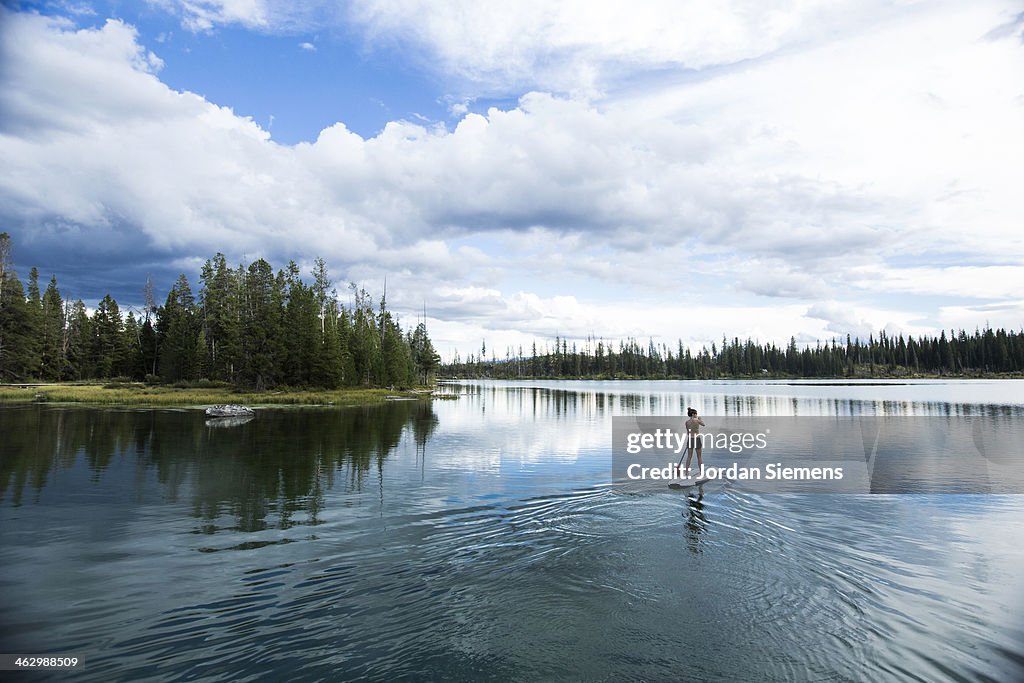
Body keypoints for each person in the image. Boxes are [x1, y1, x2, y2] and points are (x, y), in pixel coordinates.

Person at [683, 407, 705, 477]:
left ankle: (686, 472)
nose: (696, 415)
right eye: (696, 414)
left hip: (690, 439)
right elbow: (703, 424)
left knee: (689, 457)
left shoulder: (686, 422)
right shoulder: (697, 421)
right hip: (697, 439)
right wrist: (700, 419)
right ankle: (701, 472)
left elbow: (688, 432)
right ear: (693, 414)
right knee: (699, 457)